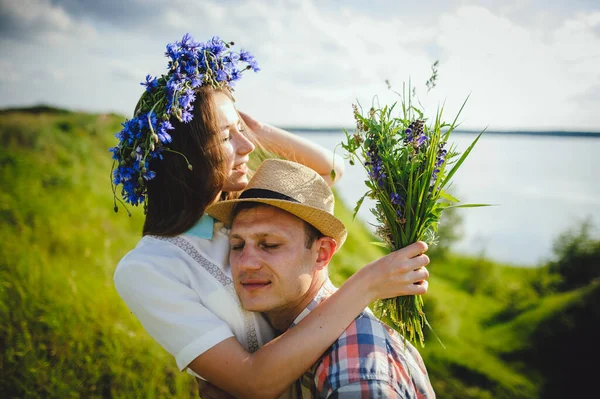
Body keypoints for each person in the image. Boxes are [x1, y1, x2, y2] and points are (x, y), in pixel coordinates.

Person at [112, 34, 431, 399]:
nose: (248, 146)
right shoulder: (149, 267)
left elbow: (326, 173)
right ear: (186, 154)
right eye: (226, 137)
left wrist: (255, 129)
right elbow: (253, 382)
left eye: (241, 132)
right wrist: (364, 287)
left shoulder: (239, 210)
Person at [207, 159, 435, 398]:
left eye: (270, 245)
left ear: (322, 253)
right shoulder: (261, 332)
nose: (245, 262)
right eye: (237, 245)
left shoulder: (354, 368)